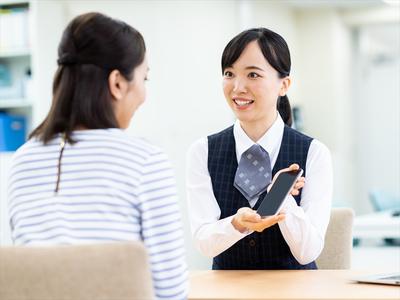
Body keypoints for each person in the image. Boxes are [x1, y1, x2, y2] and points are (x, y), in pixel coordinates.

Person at [7, 12, 187, 299]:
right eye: (145, 78)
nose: (143, 93)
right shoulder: (146, 162)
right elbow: (171, 290)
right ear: (117, 83)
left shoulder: (22, 160)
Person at [186, 28, 332, 270]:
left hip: (296, 292)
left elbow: (307, 252)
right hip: (228, 291)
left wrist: (280, 197)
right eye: (229, 73)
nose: (238, 87)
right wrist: (237, 224)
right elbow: (203, 241)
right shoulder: (202, 151)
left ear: (284, 85)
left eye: (253, 75)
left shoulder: (314, 152)